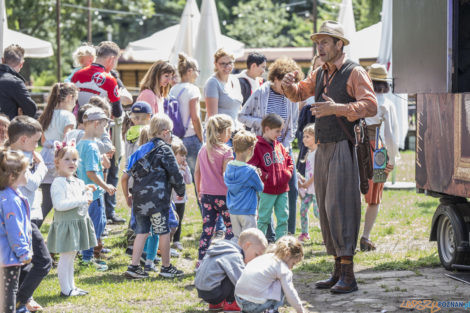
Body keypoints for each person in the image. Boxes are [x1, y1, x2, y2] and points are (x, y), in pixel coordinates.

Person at [281, 20, 378, 293]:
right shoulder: (320, 71)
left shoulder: (354, 71)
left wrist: (338, 108)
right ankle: (338, 269)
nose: (320, 46)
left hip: (344, 147)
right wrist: (288, 85)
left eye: (325, 41)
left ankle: (349, 273)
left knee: (342, 207)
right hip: (323, 147)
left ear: (339, 44)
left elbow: (371, 105)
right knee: (325, 208)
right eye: (318, 42)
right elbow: (299, 92)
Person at [238, 57, 302, 236]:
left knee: (291, 189)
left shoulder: (292, 96)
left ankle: (288, 233)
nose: (288, 87)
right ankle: (268, 234)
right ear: (276, 78)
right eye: (285, 82)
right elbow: (242, 115)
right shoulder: (261, 92)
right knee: (266, 191)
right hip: (263, 148)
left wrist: (286, 144)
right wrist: (263, 126)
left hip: (283, 151)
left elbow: (294, 124)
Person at [123, 114, 185, 279]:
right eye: (170, 132)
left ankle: (134, 266)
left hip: (139, 198)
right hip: (158, 200)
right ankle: (166, 267)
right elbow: (175, 172)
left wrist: (129, 194)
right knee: (163, 231)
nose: (171, 135)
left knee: (142, 232)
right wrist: (181, 190)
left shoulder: (140, 149)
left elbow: (128, 171)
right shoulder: (165, 149)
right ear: (165, 132)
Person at [8, 116, 52, 312]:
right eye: (36, 141)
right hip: (23, 217)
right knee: (43, 262)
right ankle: (19, 301)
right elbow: (32, 183)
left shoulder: (10, 154)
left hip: (26, 214)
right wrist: (42, 165)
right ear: (23, 140)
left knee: (26, 262)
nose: (37, 146)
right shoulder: (19, 158)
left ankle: (21, 301)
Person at [47, 141, 97, 297]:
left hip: (77, 222)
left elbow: (82, 201)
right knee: (66, 257)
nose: (71, 163)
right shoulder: (58, 182)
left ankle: (72, 287)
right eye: (67, 159)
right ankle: (65, 289)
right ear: (57, 162)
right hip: (66, 224)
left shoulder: (79, 181)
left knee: (73, 255)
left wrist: (87, 193)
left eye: (74, 159)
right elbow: (60, 205)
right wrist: (82, 200)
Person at [360, 64, 399, 251]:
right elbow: (391, 134)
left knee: (353, 195)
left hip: (354, 147)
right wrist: (391, 159)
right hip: (378, 151)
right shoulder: (386, 103)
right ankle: (365, 237)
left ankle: (349, 237)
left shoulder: (358, 97)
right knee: (374, 197)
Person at [76, 108, 116, 270]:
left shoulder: (82, 143)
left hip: (86, 193)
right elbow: (90, 172)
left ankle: (87, 255)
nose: (105, 130)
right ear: (96, 123)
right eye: (104, 127)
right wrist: (106, 186)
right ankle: (87, 258)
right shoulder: (92, 147)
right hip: (93, 194)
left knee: (95, 224)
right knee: (94, 227)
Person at [195, 228, 268, 312]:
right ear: (247, 245)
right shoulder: (234, 255)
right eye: (256, 255)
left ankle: (215, 305)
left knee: (229, 272)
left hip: (202, 289)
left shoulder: (223, 248)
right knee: (239, 275)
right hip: (213, 292)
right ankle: (231, 304)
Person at [194, 114, 234, 265]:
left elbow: (196, 172)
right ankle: (227, 256)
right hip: (223, 196)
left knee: (207, 229)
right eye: (228, 131)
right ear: (220, 133)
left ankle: (201, 259)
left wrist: (199, 190)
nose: (230, 135)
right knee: (230, 227)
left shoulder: (203, 150)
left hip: (206, 195)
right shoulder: (226, 151)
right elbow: (227, 175)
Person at [38, 83, 78, 228]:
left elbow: (42, 140)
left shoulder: (47, 114)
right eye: (75, 100)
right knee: (61, 200)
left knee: (47, 201)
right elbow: (67, 140)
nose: (75, 104)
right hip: (60, 160)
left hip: (45, 159)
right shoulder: (68, 116)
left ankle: (34, 228)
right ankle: (48, 231)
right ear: (69, 97)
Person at [248, 114, 293, 241]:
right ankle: (258, 243)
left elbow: (289, 162)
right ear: (267, 129)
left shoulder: (280, 146)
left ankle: (281, 244)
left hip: (283, 189)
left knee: (283, 217)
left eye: (280, 131)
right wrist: (264, 175)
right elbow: (251, 165)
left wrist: (287, 173)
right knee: (263, 218)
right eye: (277, 131)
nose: (279, 134)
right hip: (267, 190)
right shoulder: (257, 146)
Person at [235, 236, 305, 313]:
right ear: (288, 254)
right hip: (254, 303)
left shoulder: (265, 257)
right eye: (293, 263)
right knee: (282, 284)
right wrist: (300, 310)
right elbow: (290, 293)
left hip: (239, 299)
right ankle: (272, 310)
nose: (291, 267)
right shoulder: (283, 268)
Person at [0, 149, 31, 313]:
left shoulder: (5, 195)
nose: (28, 174)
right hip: (9, 258)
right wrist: (24, 253)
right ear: (12, 176)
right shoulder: (11, 200)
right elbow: (14, 230)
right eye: (26, 171)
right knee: (8, 295)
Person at [169, 53, 203, 191]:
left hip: (176, 137)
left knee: (177, 177)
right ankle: (204, 210)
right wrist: (202, 138)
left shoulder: (173, 89)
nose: (197, 74)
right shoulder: (192, 89)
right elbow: (195, 117)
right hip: (191, 137)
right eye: (197, 71)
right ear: (190, 71)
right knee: (198, 178)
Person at [224, 130, 264, 241]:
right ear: (250, 149)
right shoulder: (250, 171)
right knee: (250, 240)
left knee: (237, 238)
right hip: (247, 211)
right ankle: (249, 258)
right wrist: (257, 174)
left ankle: (237, 257)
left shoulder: (229, 167)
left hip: (233, 210)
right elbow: (260, 187)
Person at [205, 48, 243, 128]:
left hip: (235, 131)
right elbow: (213, 118)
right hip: (220, 133)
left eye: (230, 63)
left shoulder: (235, 79)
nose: (227, 66)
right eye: (222, 63)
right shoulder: (212, 82)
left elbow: (238, 108)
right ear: (215, 64)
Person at [0, 44, 37, 120]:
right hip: (6, 128)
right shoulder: (15, 82)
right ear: (21, 64)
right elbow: (31, 110)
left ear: (2, 60)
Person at [297, 124, 319, 242]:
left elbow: (316, 174)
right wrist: (303, 180)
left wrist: (306, 184)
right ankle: (304, 233)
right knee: (303, 210)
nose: (304, 139)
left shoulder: (318, 153)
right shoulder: (309, 153)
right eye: (304, 136)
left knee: (317, 213)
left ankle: (328, 232)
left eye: (307, 136)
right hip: (309, 189)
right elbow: (310, 174)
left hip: (316, 189)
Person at [170, 138, 192, 251]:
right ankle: (167, 240)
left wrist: (186, 170)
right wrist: (181, 172)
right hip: (172, 199)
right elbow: (175, 180)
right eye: (181, 155)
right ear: (174, 155)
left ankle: (176, 240)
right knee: (171, 220)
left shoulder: (184, 166)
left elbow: (189, 181)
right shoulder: (172, 168)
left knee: (179, 220)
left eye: (185, 156)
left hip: (181, 200)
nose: (184, 158)